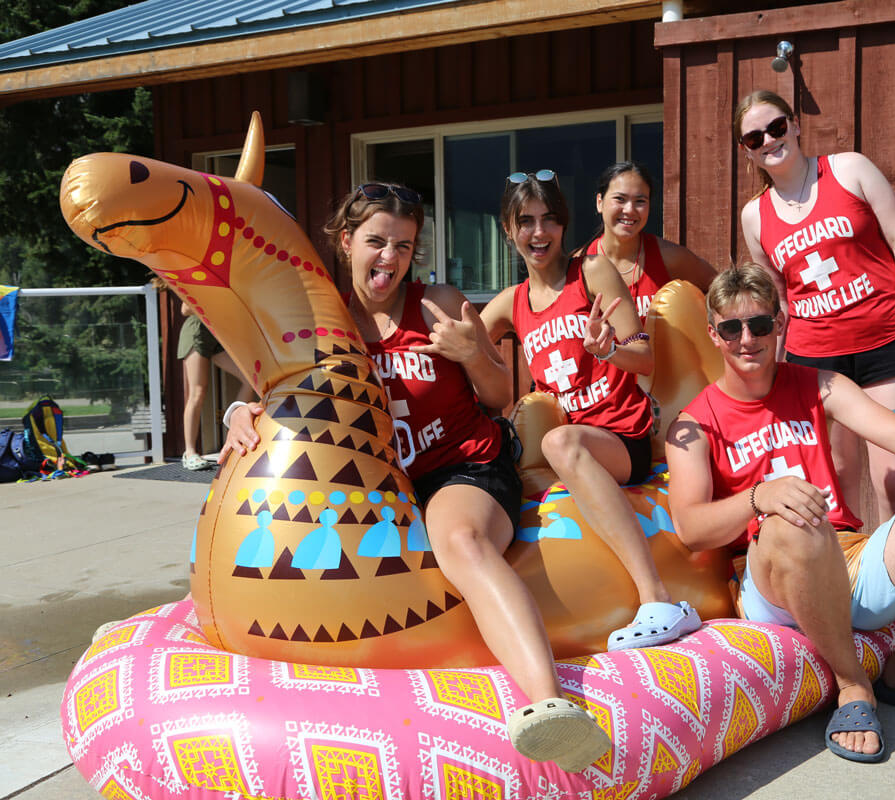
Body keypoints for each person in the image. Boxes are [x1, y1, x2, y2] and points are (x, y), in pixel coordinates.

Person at [220, 182, 610, 773]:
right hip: (374, 491)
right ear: (346, 241)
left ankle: (549, 705)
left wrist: (469, 351)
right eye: (376, 242)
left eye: (403, 246)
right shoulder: (320, 318)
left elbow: (501, 393)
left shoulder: (439, 301)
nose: (389, 258)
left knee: (460, 541)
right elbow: (277, 391)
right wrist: (239, 414)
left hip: (462, 466)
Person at [665, 264, 895, 763]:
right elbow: (689, 528)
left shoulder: (820, 384)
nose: (747, 339)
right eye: (732, 328)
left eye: (760, 325)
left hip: (848, 556)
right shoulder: (695, 421)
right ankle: (853, 684)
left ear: (781, 324)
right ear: (714, 335)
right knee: (791, 521)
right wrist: (758, 498)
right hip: (772, 580)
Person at [480, 169, 702, 652]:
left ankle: (659, 600)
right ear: (507, 228)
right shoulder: (510, 304)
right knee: (548, 444)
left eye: (550, 220)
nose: (539, 233)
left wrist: (608, 351)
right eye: (526, 221)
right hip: (576, 452)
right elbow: (466, 346)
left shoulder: (593, 272)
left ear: (563, 226)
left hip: (622, 439)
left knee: (557, 440)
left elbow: (644, 355)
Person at [735, 89, 895, 522]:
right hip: (818, 359)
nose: (769, 140)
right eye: (755, 138)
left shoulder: (849, 169)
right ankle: (846, 581)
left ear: (795, 124)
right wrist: (771, 363)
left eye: (776, 127)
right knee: (838, 479)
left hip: (887, 342)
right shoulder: (754, 216)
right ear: (747, 152)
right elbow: (777, 299)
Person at [582, 161, 717, 321]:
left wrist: (698, 328)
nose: (629, 210)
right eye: (620, 199)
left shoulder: (670, 257)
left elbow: (719, 288)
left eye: (640, 201)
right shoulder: (577, 266)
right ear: (600, 202)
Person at [170, 280, 254, 471]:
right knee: (197, 392)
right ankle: (189, 452)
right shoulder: (198, 277)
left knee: (249, 379)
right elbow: (185, 309)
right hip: (196, 331)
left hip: (215, 333)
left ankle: (233, 439)